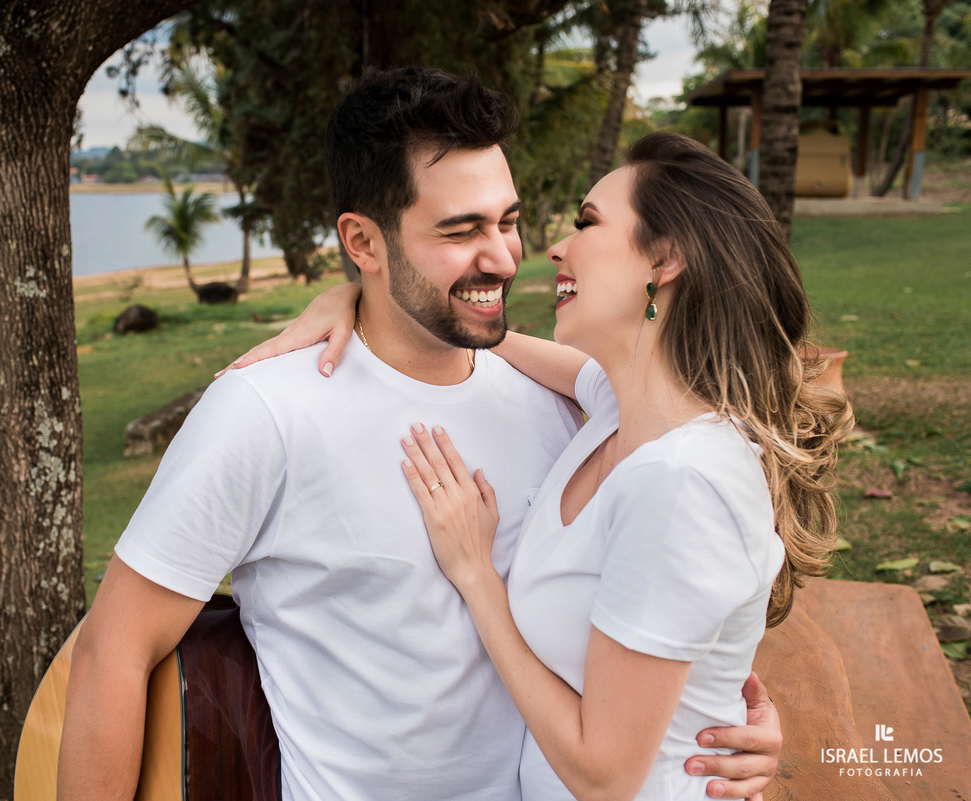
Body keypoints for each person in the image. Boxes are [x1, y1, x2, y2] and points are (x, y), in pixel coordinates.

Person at [58, 69, 781, 801]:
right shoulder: (267, 412)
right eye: (461, 230)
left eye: (508, 219)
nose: (504, 256)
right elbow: (112, 651)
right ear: (362, 242)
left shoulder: (575, 409)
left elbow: (666, 601)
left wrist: (714, 723)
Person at [234, 131, 853, 799]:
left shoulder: (681, 480)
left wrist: (477, 578)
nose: (554, 246)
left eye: (588, 222)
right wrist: (360, 296)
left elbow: (604, 774)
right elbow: (495, 341)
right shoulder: (622, 409)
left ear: (666, 259)